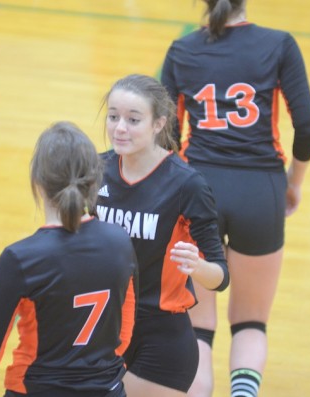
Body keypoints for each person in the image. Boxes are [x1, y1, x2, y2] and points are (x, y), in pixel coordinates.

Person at [160, 1, 310, 396]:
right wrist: (293, 184)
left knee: (196, 326)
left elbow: (165, 136)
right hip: (260, 193)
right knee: (250, 324)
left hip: (197, 190)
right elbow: (308, 129)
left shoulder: (183, 50)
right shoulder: (279, 44)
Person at [0, 121, 138, 397]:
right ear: (93, 180)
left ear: (38, 183)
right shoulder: (120, 242)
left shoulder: (20, 258)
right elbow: (124, 333)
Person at [95, 74, 229, 397]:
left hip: (160, 337)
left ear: (159, 124)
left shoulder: (187, 185)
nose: (120, 128)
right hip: (104, 327)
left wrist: (197, 267)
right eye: (113, 117)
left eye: (133, 119)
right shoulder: (96, 170)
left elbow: (221, 276)